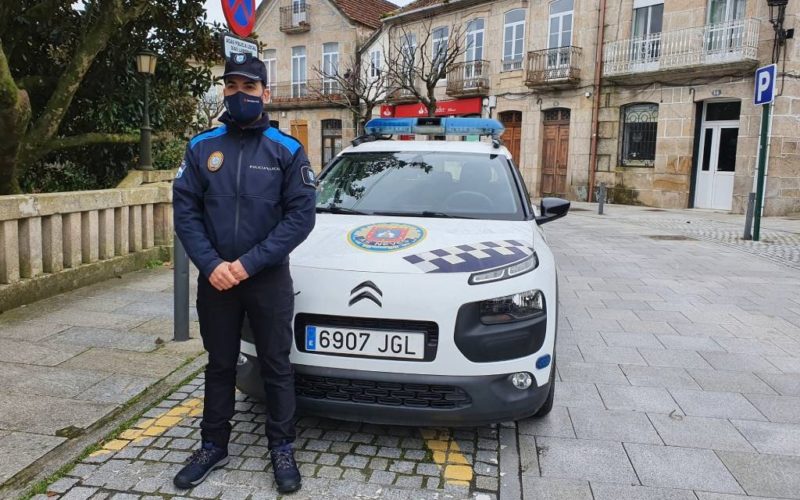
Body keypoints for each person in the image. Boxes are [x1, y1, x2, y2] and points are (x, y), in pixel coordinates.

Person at [172, 53, 316, 493]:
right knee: (219, 365)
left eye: (248, 87)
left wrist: (248, 263)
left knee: (276, 364)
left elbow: (300, 216)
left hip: (267, 279)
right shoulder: (201, 148)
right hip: (216, 281)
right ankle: (213, 445)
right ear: (224, 91)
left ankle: (281, 447)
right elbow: (186, 212)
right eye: (231, 86)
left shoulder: (287, 150)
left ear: (265, 93)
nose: (239, 94)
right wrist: (212, 265)